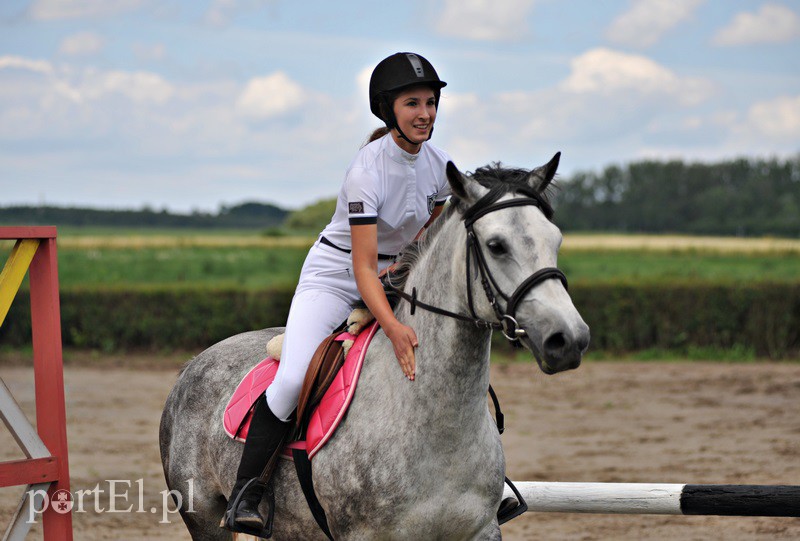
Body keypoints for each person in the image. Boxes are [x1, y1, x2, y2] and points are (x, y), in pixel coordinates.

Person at [223, 52, 452, 533]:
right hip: (338, 276)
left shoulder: (440, 166)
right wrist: (390, 326)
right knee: (290, 381)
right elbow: (362, 265)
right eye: (414, 103)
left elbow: (430, 238)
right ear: (390, 110)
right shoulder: (366, 170)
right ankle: (247, 492)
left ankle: (471, 485)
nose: (426, 113)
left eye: (431, 102)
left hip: (396, 276)